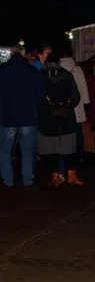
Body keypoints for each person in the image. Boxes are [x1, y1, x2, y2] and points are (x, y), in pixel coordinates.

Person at [0, 46, 44, 189]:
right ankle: (27, 180)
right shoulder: (32, 71)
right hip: (27, 116)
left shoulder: (2, 70)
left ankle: (8, 180)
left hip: (7, 117)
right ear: (24, 55)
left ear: (12, 54)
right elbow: (40, 94)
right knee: (27, 150)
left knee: (5, 150)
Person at [38, 54, 84, 187]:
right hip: (66, 117)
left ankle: (55, 177)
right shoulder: (68, 76)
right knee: (69, 147)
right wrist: (67, 107)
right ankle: (71, 175)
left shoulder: (41, 76)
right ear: (59, 62)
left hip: (47, 118)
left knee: (51, 148)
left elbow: (37, 96)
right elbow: (76, 96)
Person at [59, 52, 90, 159]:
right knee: (78, 131)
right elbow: (83, 87)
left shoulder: (59, 69)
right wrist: (86, 102)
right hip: (77, 104)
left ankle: (65, 153)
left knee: (65, 131)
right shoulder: (77, 69)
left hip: (63, 105)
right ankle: (79, 153)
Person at [80, 62, 95, 156]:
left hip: (88, 110)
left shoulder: (86, 80)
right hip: (91, 110)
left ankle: (89, 151)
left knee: (85, 132)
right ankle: (89, 150)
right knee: (87, 131)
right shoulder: (91, 79)